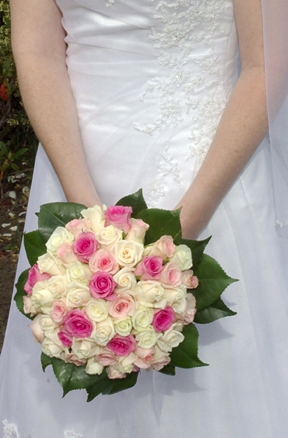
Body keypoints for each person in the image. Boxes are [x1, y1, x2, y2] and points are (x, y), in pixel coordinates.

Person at [1, 0, 288, 436]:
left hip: (216, 176)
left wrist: (178, 232)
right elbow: (37, 50)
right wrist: (91, 231)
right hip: (76, 165)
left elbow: (266, 62)